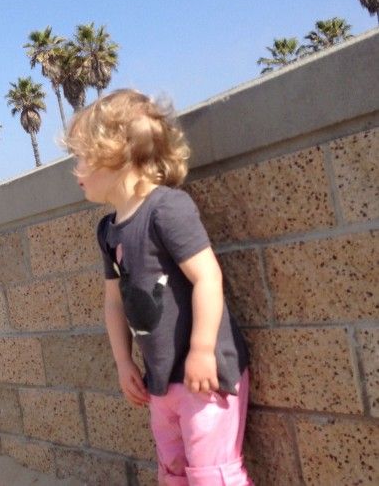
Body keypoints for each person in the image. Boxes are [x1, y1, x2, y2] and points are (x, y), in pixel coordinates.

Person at [64, 89, 252, 485]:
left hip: (205, 375)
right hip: (161, 380)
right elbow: (114, 303)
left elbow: (207, 276)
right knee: (173, 470)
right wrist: (123, 362)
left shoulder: (166, 208)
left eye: (81, 158)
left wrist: (202, 351)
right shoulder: (109, 230)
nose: (75, 170)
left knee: (212, 474)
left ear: (114, 154)